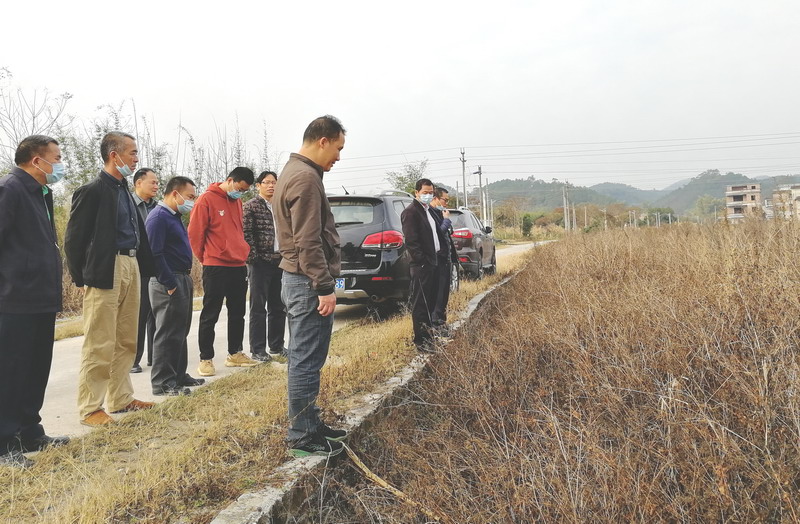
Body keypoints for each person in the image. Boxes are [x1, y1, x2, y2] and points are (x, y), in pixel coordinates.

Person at [64, 131, 156, 427]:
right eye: (132, 153)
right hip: (106, 268)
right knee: (100, 340)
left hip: (131, 264)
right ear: (114, 155)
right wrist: (81, 277)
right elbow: (74, 239)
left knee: (126, 338)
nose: (136, 158)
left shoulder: (124, 190)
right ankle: (90, 407)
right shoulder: (92, 190)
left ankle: (120, 398)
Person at [274, 115, 348, 458]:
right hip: (306, 282)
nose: (338, 157)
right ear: (323, 141)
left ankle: (311, 423)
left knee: (306, 357)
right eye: (338, 148)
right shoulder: (304, 178)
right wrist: (323, 286)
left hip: (299, 279)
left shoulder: (297, 171)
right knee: (305, 359)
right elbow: (307, 241)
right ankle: (302, 436)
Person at [0, 135, 70, 468]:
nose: (60, 164)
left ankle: (30, 431)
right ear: (36, 160)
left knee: (36, 368)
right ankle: (4, 442)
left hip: (41, 296)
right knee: (11, 372)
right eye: (56, 158)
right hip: (15, 298)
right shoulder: (10, 189)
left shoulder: (42, 193)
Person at [188, 166, 258, 377]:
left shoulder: (237, 202)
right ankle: (206, 358)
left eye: (244, 191)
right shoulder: (206, 200)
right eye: (239, 188)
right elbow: (195, 234)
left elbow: (237, 232)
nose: (241, 193)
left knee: (238, 312)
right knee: (211, 313)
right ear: (230, 180)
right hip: (216, 265)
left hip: (237, 264)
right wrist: (206, 258)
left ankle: (235, 353)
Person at [146, 176, 202, 396]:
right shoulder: (158, 217)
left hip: (181, 277)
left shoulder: (174, 216)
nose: (192, 201)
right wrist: (168, 282)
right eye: (189, 197)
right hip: (167, 280)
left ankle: (178, 375)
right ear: (174, 193)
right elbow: (154, 253)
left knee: (180, 330)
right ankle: (163, 382)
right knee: (167, 332)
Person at [400, 178, 449, 353]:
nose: (428, 195)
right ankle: (422, 341)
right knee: (421, 305)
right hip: (422, 265)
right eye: (425, 192)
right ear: (417, 193)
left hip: (433, 262)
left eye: (430, 193)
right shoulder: (411, 212)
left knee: (430, 303)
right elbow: (411, 242)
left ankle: (429, 338)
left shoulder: (428, 211)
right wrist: (421, 261)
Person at [243, 170, 287, 363]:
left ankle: (277, 346)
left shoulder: (280, 205)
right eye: (267, 182)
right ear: (258, 185)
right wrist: (253, 257)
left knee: (278, 306)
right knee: (258, 307)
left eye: (274, 182)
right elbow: (246, 233)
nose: (271, 186)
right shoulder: (251, 206)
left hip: (280, 260)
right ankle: (258, 349)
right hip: (260, 263)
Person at [131, 168, 158, 373]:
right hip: (136, 266)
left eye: (157, 183)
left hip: (156, 265)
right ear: (139, 183)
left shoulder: (158, 207)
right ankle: (133, 359)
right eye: (152, 182)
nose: (156, 186)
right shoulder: (129, 205)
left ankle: (155, 356)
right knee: (137, 315)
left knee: (156, 313)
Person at [429, 187, 459, 334]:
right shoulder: (430, 214)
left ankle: (441, 321)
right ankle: (436, 322)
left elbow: (447, 232)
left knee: (444, 292)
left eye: (447, 200)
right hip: (438, 259)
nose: (446, 203)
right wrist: (446, 220)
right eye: (444, 200)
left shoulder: (439, 213)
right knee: (438, 292)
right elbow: (438, 234)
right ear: (435, 198)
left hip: (445, 258)